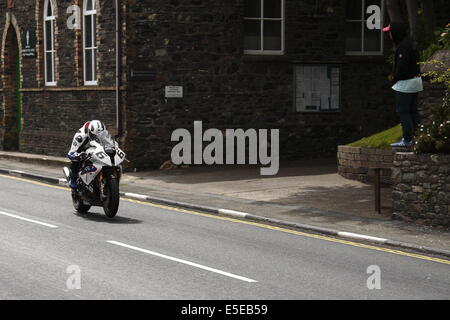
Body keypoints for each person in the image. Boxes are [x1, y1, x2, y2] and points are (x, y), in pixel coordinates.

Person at [383, 22, 423, 147]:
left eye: (390, 32)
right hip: (415, 82)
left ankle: (407, 139)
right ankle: (419, 137)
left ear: (396, 32)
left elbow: (402, 68)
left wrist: (394, 77)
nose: (389, 34)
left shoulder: (402, 47)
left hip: (405, 84)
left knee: (403, 111)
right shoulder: (411, 44)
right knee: (413, 111)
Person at [67, 120, 107, 189]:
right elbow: (71, 153)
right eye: (95, 136)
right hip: (82, 149)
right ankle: (73, 179)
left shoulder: (102, 132)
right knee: (75, 162)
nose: (97, 138)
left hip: (95, 149)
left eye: (100, 135)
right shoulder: (79, 136)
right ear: (89, 132)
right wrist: (79, 155)